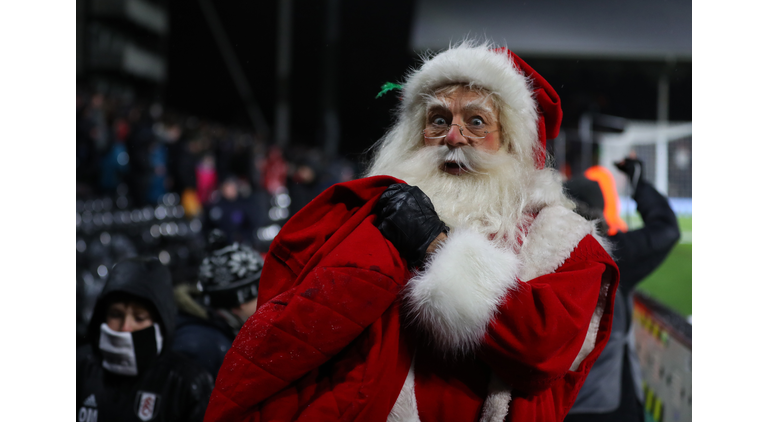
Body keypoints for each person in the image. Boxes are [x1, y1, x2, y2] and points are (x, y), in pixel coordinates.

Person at [204, 41, 619, 422]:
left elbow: (542, 347)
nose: (453, 136)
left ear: (512, 142)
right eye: (438, 119)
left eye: (476, 121)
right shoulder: (375, 210)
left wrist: (438, 246)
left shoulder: (564, 243)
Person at [564, 157, 680, 422]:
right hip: (605, 402)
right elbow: (665, 230)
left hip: (555, 404)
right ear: (601, 210)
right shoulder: (611, 252)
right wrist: (640, 186)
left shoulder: (541, 248)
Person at [77, 257, 214, 422]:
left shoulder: (186, 383)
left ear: (160, 323)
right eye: (116, 315)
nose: (126, 327)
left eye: (139, 318)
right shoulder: (81, 367)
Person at [173, 230, 265, 379]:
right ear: (239, 301)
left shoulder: (223, 330)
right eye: (261, 293)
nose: (268, 301)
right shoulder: (199, 346)